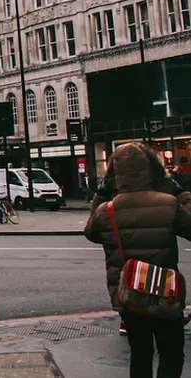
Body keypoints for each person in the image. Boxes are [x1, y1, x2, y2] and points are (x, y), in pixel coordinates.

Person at [84, 142, 191, 377]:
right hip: (165, 293)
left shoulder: (106, 210)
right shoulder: (169, 203)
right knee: (171, 352)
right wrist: (181, 193)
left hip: (129, 295)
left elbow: (91, 232)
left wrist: (99, 196)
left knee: (140, 353)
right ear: (150, 168)